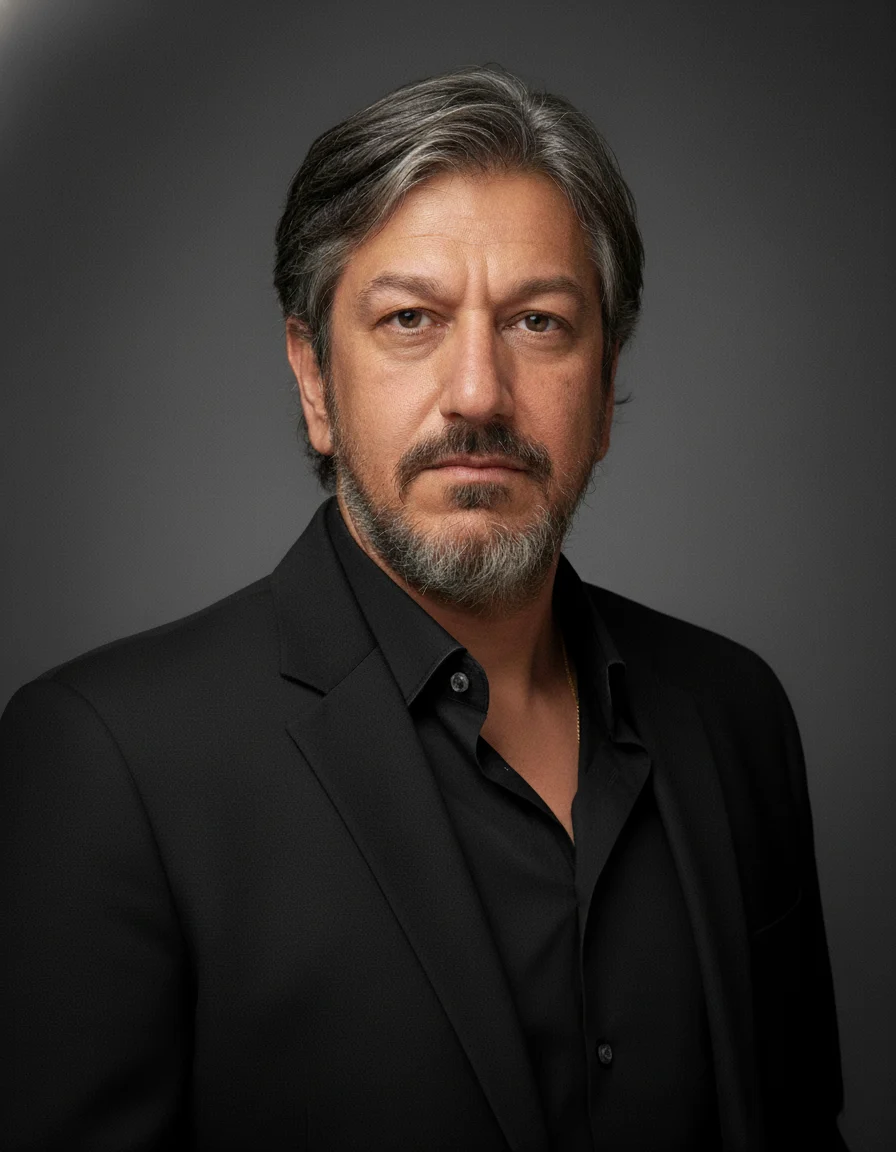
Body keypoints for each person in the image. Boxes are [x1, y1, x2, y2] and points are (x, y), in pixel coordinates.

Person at [0, 65, 847, 1152]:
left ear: (603, 387)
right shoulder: (107, 762)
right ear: (315, 380)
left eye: (538, 321)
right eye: (410, 319)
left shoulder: (734, 715)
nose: (479, 393)